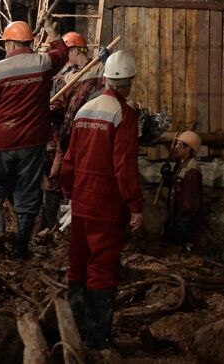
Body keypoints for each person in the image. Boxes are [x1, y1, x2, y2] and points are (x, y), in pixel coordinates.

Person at [60, 50, 142, 351]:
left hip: (81, 203)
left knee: (77, 267)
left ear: (105, 78)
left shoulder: (85, 110)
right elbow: (124, 167)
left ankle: (74, 334)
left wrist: (70, 195)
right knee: (102, 269)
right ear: (129, 82)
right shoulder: (124, 115)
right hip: (106, 208)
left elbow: (68, 162)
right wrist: (134, 206)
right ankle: (98, 341)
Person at [0, 20, 69, 258]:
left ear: (9, 43)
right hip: (32, 141)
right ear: (29, 42)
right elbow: (62, 53)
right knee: (27, 192)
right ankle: (21, 248)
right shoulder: (43, 63)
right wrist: (52, 31)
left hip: (2, 139)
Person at [40, 32, 94, 234]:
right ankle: (48, 225)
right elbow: (62, 104)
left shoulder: (97, 71)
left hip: (86, 138)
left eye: (66, 53)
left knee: (79, 180)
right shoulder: (68, 76)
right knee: (55, 178)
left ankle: (73, 227)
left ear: (74, 50)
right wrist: (50, 108)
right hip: (66, 136)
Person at [163, 130, 205, 246]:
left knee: (182, 247)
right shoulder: (180, 164)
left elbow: (191, 197)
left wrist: (184, 218)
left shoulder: (192, 168)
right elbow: (175, 186)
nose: (175, 147)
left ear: (188, 149)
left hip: (184, 218)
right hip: (175, 214)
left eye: (179, 145)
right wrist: (167, 176)